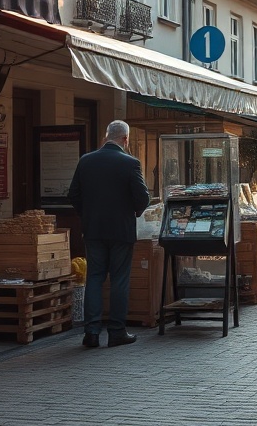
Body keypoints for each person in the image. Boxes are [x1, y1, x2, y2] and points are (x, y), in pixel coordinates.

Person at [68, 120, 150, 349]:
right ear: (125, 139)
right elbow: (142, 197)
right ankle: (116, 332)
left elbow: (73, 194)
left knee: (94, 278)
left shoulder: (86, 161)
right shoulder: (131, 163)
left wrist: (87, 215)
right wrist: (134, 211)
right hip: (121, 230)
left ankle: (91, 332)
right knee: (119, 279)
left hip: (93, 229)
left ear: (106, 137)